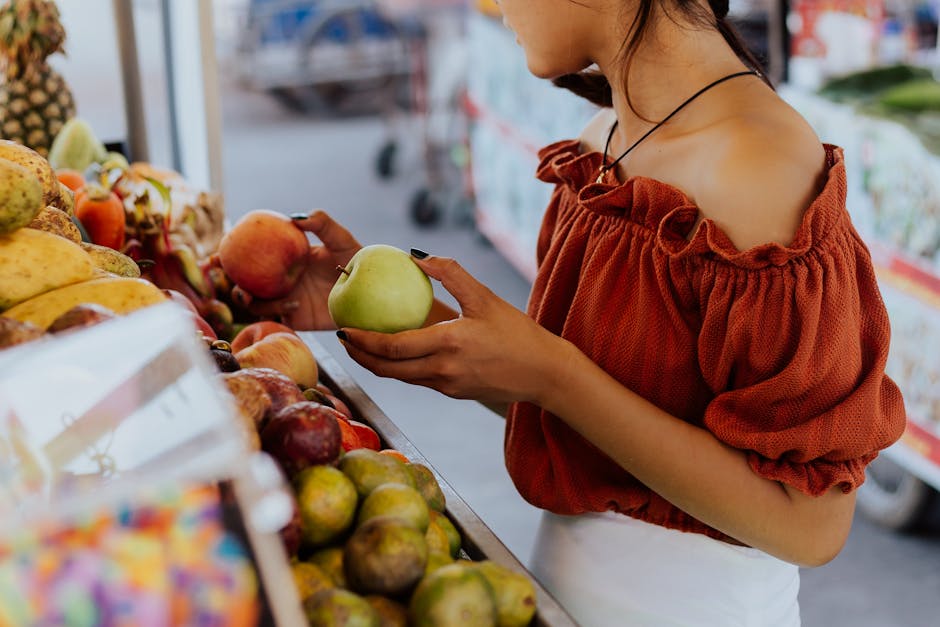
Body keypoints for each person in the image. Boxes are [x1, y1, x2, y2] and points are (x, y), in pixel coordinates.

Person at [254, 0, 907, 624]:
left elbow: (812, 523)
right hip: (561, 594)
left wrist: (552, 374)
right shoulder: (606, 138)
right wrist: (412, 322)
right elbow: (590, 411)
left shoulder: (763, 170)